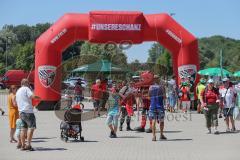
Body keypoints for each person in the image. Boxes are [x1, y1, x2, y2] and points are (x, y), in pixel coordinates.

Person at [16, 79, 40, 151]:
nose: (29, 84)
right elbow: (33, 96)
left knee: (23, 129)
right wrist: (39, 98)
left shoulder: (18, 90)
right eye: (28, 83)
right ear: (26, 83)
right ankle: (28, 144)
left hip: (21, 112)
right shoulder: (26, 89)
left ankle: (23, 145)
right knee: (31, 128)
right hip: (28, 111)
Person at [148, 76, 167, 141]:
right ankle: (161, 134)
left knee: (153, 120)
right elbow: (164, 97)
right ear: (158, 79)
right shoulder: (162, 87)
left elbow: (149, 96)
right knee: (161, 121)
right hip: (160, 106)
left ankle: (154, 136)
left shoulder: (150, 87)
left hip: (152, 106)